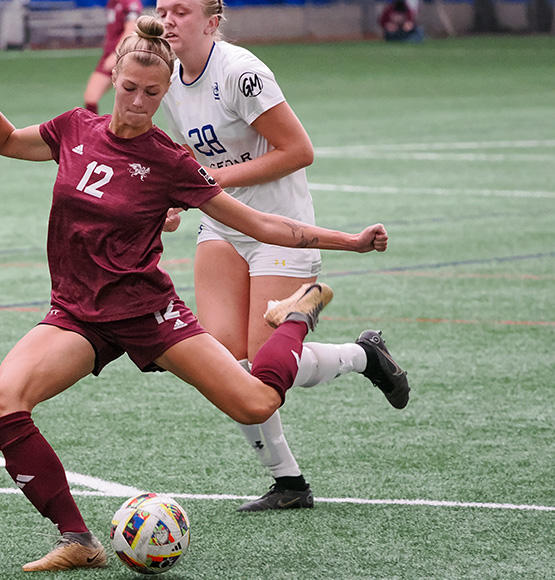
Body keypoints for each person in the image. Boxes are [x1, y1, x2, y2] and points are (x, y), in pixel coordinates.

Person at [0, 15, 390, 572]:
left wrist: (350, 242)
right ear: (114, 77)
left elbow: (265, 226)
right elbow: (9, 145)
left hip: (150, 313)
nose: (139, 102)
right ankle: (80, 541)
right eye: (131, 88)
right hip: (77, 314)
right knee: (3, 402)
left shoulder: (169, 161)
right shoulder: (74, 128)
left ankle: (298, 314)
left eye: (153, 93)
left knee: (257, 400)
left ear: (165, 93)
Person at [157, 0, 410, 512]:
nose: (167, 21)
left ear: (211, 22)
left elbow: (298, 150)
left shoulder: (241, 72)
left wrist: (211, 182)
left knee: (266, 368)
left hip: (280, 227)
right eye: (161, 10)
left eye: (180, 11)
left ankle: (365, 357)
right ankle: (289, 484)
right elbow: (193, 157)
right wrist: (172, 198)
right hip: (223, 224)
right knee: (224, 365)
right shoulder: (168, 79)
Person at [82, 0, 143, 114]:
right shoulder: (112, 3)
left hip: (123, 57)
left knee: (131, 100)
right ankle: (92, 129)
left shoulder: (130, 3)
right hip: (109, 54)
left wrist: (117, 54)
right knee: (90, 97)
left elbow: (131, 28)